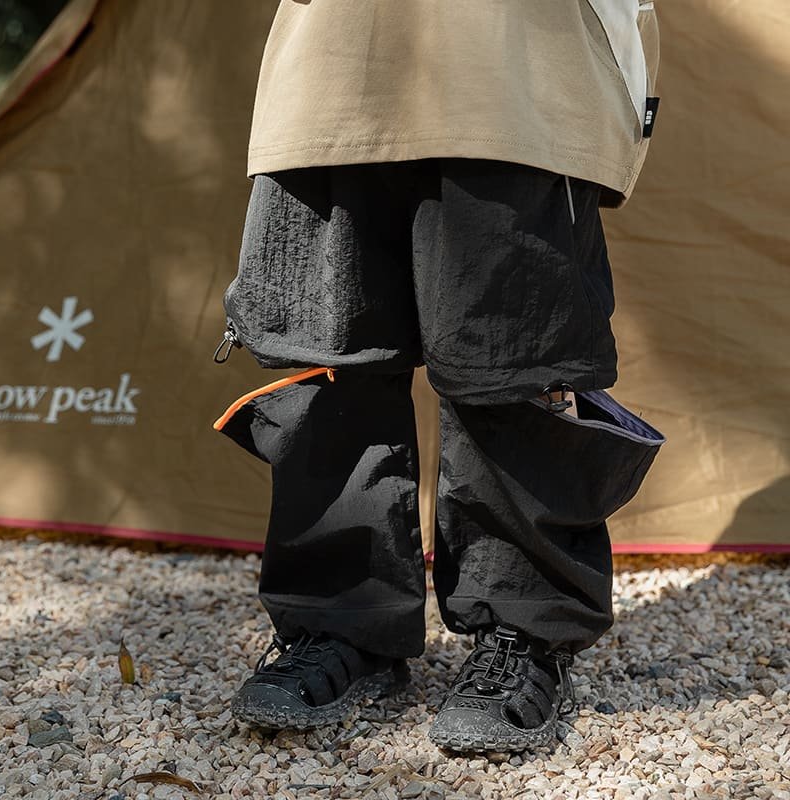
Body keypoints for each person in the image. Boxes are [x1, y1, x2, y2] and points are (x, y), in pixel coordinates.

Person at [213, 0, 665, 753]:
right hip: (329, 76)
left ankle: (522, 633)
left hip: (522, 73)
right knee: (331, 365)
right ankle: (340, 624)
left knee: (513, 365)